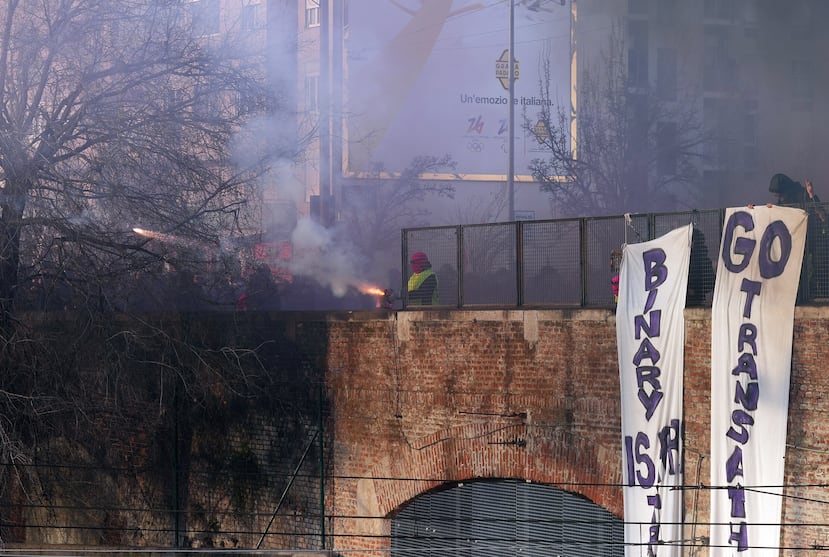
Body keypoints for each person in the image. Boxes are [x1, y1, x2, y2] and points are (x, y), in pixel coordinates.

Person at [769, 173, 828, 298]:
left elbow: (821, 213)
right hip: (793, 245)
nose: (780, 198)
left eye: (780, 195)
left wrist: (811, 195)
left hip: (811, 242)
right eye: (777, 196)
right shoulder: (781, 201)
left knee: (813, 270)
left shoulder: (802, 195)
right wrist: (766, 211)